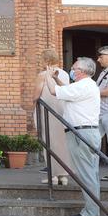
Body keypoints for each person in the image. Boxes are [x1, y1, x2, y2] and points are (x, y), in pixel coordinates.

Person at [45, 57, 101, 216]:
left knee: (86, 174)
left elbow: (54, 92)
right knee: (90, 173)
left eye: (74, 68)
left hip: (80, 134)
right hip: (86, 132)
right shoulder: (84, 86)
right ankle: (92, 210)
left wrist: (48, 76)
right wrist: (56, 78)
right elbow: (67, 90)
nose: (72, 70)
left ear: (82, 71)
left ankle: (91, 213)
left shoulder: (84, 86)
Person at [33, 48, 70, 185]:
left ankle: (53, 176)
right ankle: (64, 175)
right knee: (61, 142)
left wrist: (33, 103)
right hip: (61, 111)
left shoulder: (43, 74)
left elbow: (36, 95)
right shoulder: (65, 74)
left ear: (45, 60)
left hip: (47, 110)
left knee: (48, 141)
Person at [96, 46, 108, 182]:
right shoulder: (104, 72)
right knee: (93, 140)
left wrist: (91, 92)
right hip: (100, 113)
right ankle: (91, 169)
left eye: (101, 56)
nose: (98, 59)